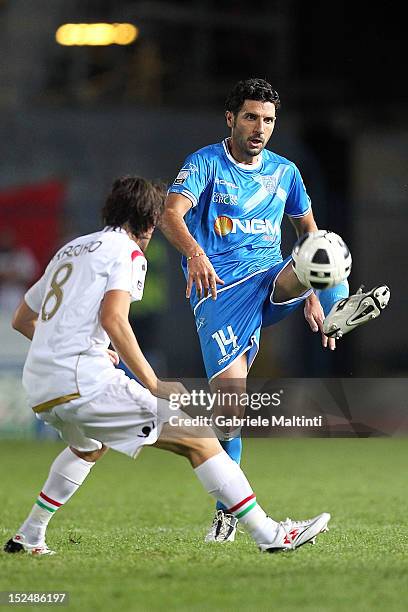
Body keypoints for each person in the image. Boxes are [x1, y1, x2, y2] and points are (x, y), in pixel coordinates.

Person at [4, 175, 330, 556]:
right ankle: (270, 535)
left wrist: (75, 347)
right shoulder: (126, 252)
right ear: (148, 222)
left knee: (88, 447)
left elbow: (23, 319)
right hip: (85, 382)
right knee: (200, 440)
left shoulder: (71, 250)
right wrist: (152, 382)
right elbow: (114, 319)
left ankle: (30, 534)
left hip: (43, 383)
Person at [160, 78, 389, 542]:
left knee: (323, 246)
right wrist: (197, 255)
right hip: (220, 293)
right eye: (250, 117)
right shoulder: (205, 163)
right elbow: (170, 214)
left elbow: (307, 230)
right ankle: (228, 508)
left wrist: (311, 291)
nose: (259, 127)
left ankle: (337, 311)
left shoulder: (285, 172)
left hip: (271, 279)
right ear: (231, 119)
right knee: (231, 410)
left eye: (267, 120)